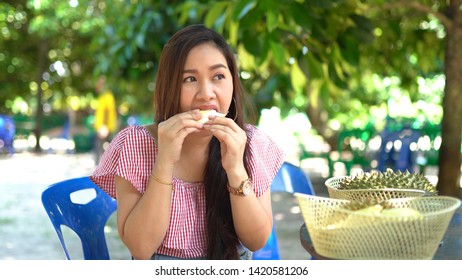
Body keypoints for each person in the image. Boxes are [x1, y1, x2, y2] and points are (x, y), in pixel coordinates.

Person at [90, 24, 285, 260]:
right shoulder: (135, 144)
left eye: (218, 76)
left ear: (233, 83)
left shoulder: (251, 143)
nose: (206, 93)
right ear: (168, 87)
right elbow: (140, 249)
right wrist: (164, 161)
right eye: (190, 79)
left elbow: (257, 241)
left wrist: (236, 169)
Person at [92, 76, 118, 164]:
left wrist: (104, 127)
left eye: (100, 84)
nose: (97, 85)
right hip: (102, 127)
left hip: (105, 128)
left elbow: (107, 112)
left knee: (104, 148)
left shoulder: (107, 96)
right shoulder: (102, 96)